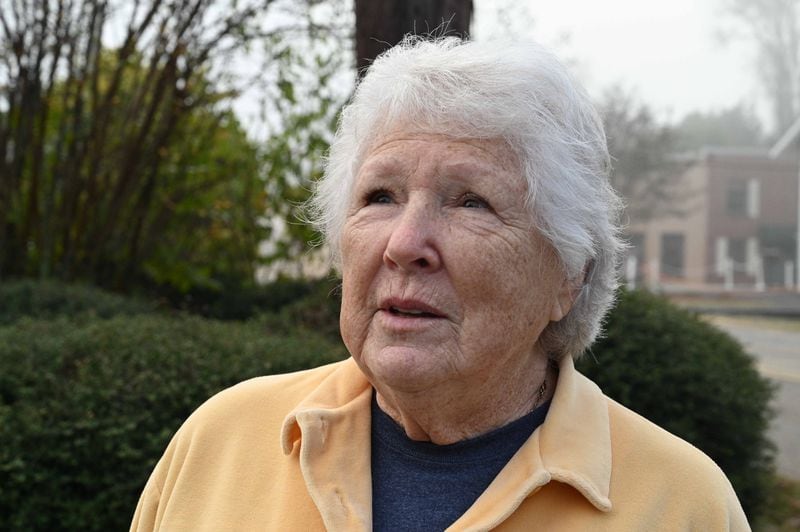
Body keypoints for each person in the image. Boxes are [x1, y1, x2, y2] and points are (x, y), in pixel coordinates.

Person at [131, 37, 749, 531]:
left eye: (470, 203)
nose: (404, 243)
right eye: (379, 196)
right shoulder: (220, 442)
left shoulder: (682, 505)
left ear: (569, 274)